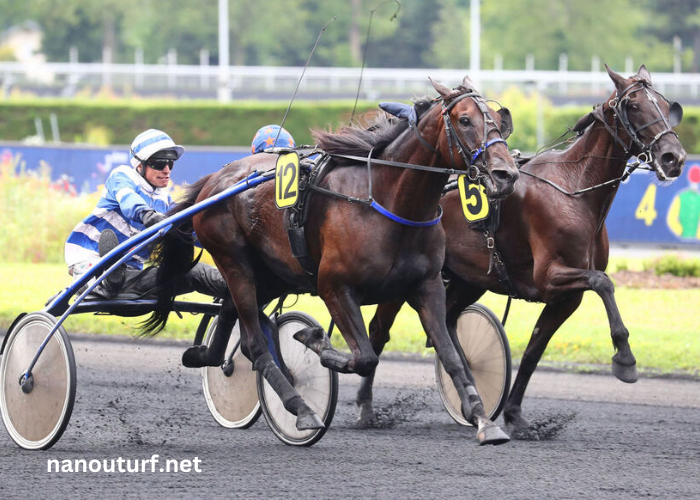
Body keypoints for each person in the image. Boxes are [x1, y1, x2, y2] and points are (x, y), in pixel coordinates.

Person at [64, 128, 227, 300]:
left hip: (131, 275)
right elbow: (129, 200)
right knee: (104, 274)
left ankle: (245, 289)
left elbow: (191, 234)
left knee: (196, 272)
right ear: (139, 165)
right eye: (159, 163)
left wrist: (219, 239)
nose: (166, 170)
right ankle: (102, 281)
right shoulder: (122, 176)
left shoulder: (164, 201)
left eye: (170, 163)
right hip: (89, 259)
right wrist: (148, 215)